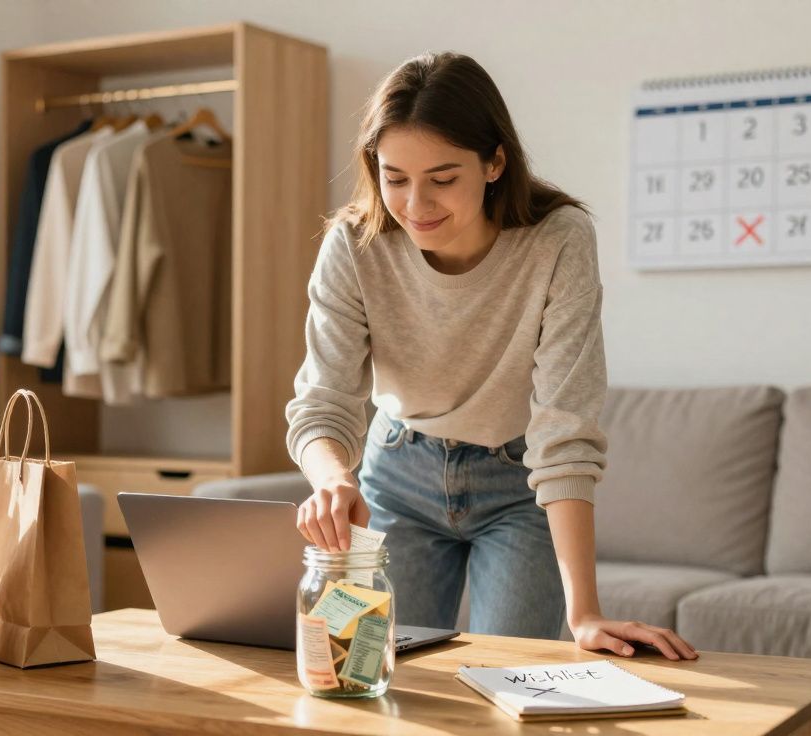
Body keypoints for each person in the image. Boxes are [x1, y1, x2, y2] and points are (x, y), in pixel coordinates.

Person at [285, 52, 697, 662]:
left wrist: (585, 613)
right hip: (396, 476)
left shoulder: (557, 239)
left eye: (443, 178)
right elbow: (323, 402)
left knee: (510, 673)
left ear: (495, 162)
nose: (416, 203)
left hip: (517, 484)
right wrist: (333, 478)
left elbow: (564, 427)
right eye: (395, 177)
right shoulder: (354, 244)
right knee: (369, 667)